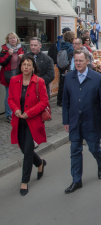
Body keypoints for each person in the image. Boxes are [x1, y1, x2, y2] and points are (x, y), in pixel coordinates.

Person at [62, 50, 101, 194]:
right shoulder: (69, 77)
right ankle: (76, 180)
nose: (78, 63)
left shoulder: (97, 78)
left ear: (87, 61)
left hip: (91, 121)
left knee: (94, 148)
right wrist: (66, 120)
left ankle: (100, 164)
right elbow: (65, 101)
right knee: (75, 151)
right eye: (76, 61)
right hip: (75, 121)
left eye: (80, 61)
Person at [8, 55, 49, 196]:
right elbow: (10, 99)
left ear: (33, 67)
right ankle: (39, 163)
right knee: (24, 150)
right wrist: (16, 110)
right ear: (20, 66)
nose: (26, 67)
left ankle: (24, 181)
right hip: (19, 120)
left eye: (28, 64)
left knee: (27, 153)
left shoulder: (39, 81)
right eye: (24, 64)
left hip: (33, 121)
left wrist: (29, 112)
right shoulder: (14, 80)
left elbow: (44, 102)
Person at [0, 32, 26, 123]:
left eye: (14, 38)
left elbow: (27, 60)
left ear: (17, 39)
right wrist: (9, 54)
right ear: (8, 40)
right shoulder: (4, 49)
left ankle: (18, 112)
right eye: (10, 38)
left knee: (19, 95)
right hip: (9, 76)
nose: (13, 39)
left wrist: (23, 57)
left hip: (20, 74)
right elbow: (2, 62)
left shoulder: (21, 48)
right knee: (9, 95)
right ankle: (9, 115)